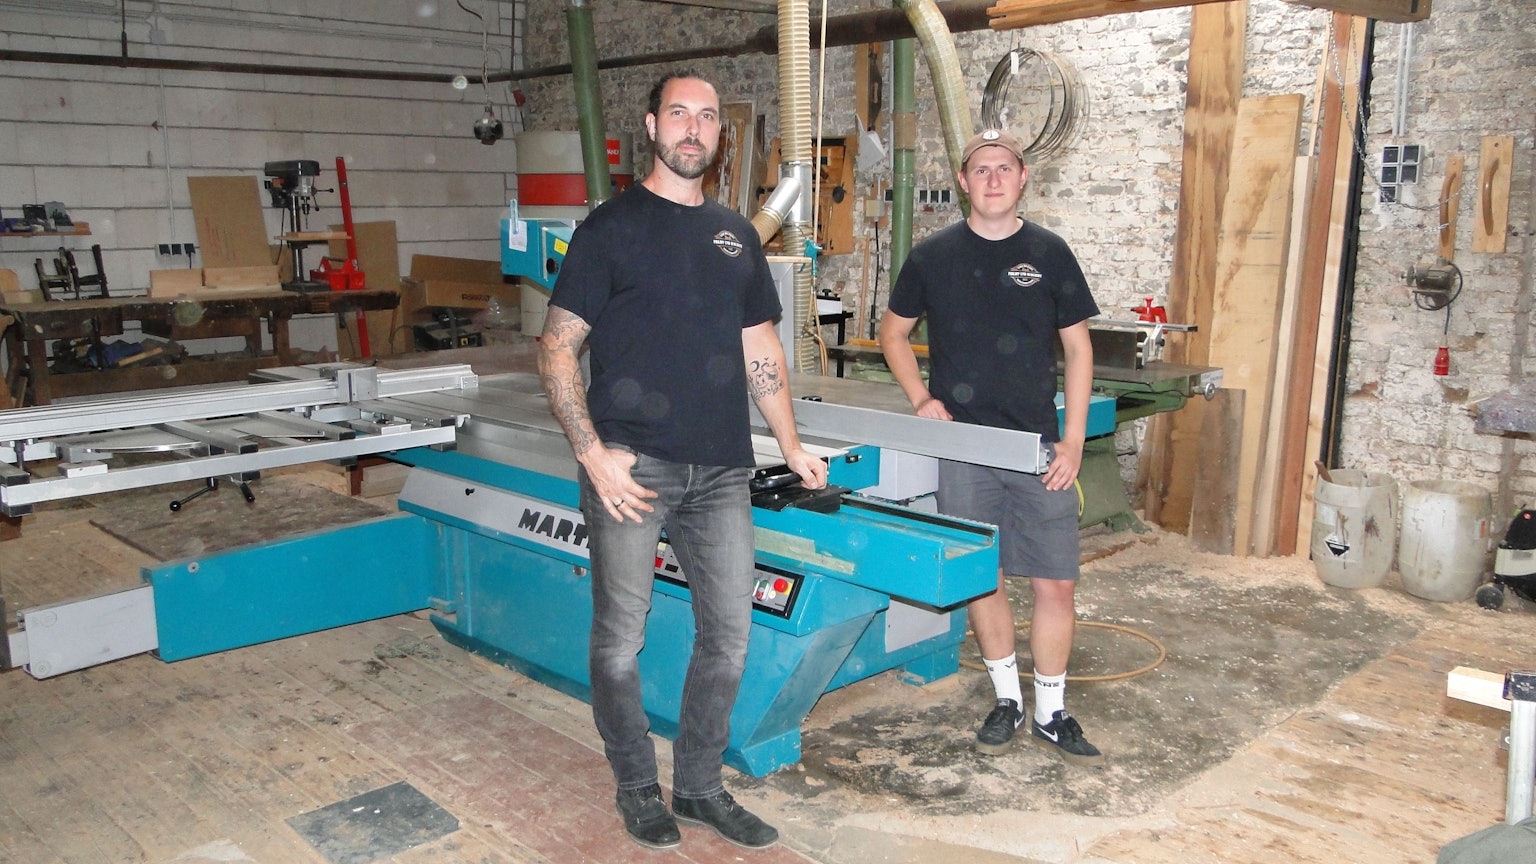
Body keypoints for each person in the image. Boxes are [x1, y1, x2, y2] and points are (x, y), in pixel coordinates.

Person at [537, 70, 829, 850]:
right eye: (679, 114)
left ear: (718, 134)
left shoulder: (734, 234)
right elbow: (558, 348)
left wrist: (792, 445)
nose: (693, 128)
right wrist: (593, 456)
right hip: (632, 470)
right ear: (651, 125)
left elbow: (759, 345)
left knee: (729, 636)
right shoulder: (610, 228)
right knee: (619, 640)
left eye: (707, 116)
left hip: (722, 470)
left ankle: (699, 786)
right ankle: (637, 786)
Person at [877, 129, 1104, 766]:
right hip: (965, 446)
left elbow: (1079, 349)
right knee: (985, 580)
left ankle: (1052, 712)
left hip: (1036, 449)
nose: (994, 179)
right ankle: (1006, 698)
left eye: (1005, 168)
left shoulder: (1051, 253)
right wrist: (922, 399)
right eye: (982, 170)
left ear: (1023, 177)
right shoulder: (932, 257)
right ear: (964, 181)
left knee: (1056, 584)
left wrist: (1074, 440)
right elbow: (892, 334)